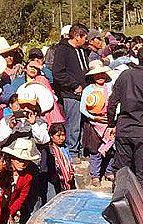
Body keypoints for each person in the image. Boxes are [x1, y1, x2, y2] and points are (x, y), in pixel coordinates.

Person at [106, 45, 143, 197]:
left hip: (124, 129)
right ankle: (138, 211)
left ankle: (118, 204)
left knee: (122, 170)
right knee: (142, 173)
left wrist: (111, 123)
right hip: (142, 131)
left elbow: (112, 102)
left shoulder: (125, 75)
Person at [52, 23, 90, 162]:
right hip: (71, 94)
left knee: (82, 124)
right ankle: (72, 152)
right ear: (76, 36)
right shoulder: (63, 50)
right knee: (73, 123)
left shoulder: (81, 50)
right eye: (84, 37)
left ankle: (80, 150)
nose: (86, 40)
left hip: (84, 93)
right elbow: (58, 72)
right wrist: (74, 85)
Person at [80, 61, 114, 187]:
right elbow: (82, 108)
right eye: (97, 75)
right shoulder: (88, 90)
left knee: (111, 148)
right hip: (93, 123)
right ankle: (95, 175)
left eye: (102, 74)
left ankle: (109, 171)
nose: (100, 77)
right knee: (95, 150)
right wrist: (94, 117)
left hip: (109, 122)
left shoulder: (110, 88)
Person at [2, 138, 40, 224]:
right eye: (19, 160)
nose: (22, 163)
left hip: (10, 209)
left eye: (25, 161)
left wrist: (10, 213)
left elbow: (21, 198)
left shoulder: (27, 177)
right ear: (12, 158)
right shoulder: (2, 173)